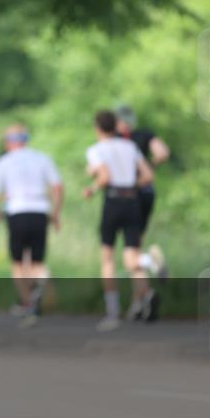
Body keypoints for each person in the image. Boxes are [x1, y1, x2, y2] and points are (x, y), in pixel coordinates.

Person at [84, 110, 155, 331]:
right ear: (115, 126)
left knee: (107, 258)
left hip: (113, 201)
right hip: (132, 200)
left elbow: (105, 177)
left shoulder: (97, 149)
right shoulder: (129, 146)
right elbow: (148, 176)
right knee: (132, 256)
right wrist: (133, 186)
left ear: (97, 128)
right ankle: (149, 265)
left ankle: (112, 312)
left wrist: (92, 188)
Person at [0, 124, 64, 326]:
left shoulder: (3, 162)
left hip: (17, 212)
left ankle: (28, 303)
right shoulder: (42, 158)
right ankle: (42, 285)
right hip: (40, 210)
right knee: (37, 261)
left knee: (18, 263)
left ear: (9, 142)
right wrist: (56, 213)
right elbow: (57, 186)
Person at [114, 104, 171, 279]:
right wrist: (149, 166)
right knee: (136, 247)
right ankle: (142, 299)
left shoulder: (114, 140)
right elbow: (162, 153)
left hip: (129, 195)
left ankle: (151, 261)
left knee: (130, 256)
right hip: (148, 192)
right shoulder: (145, 134)